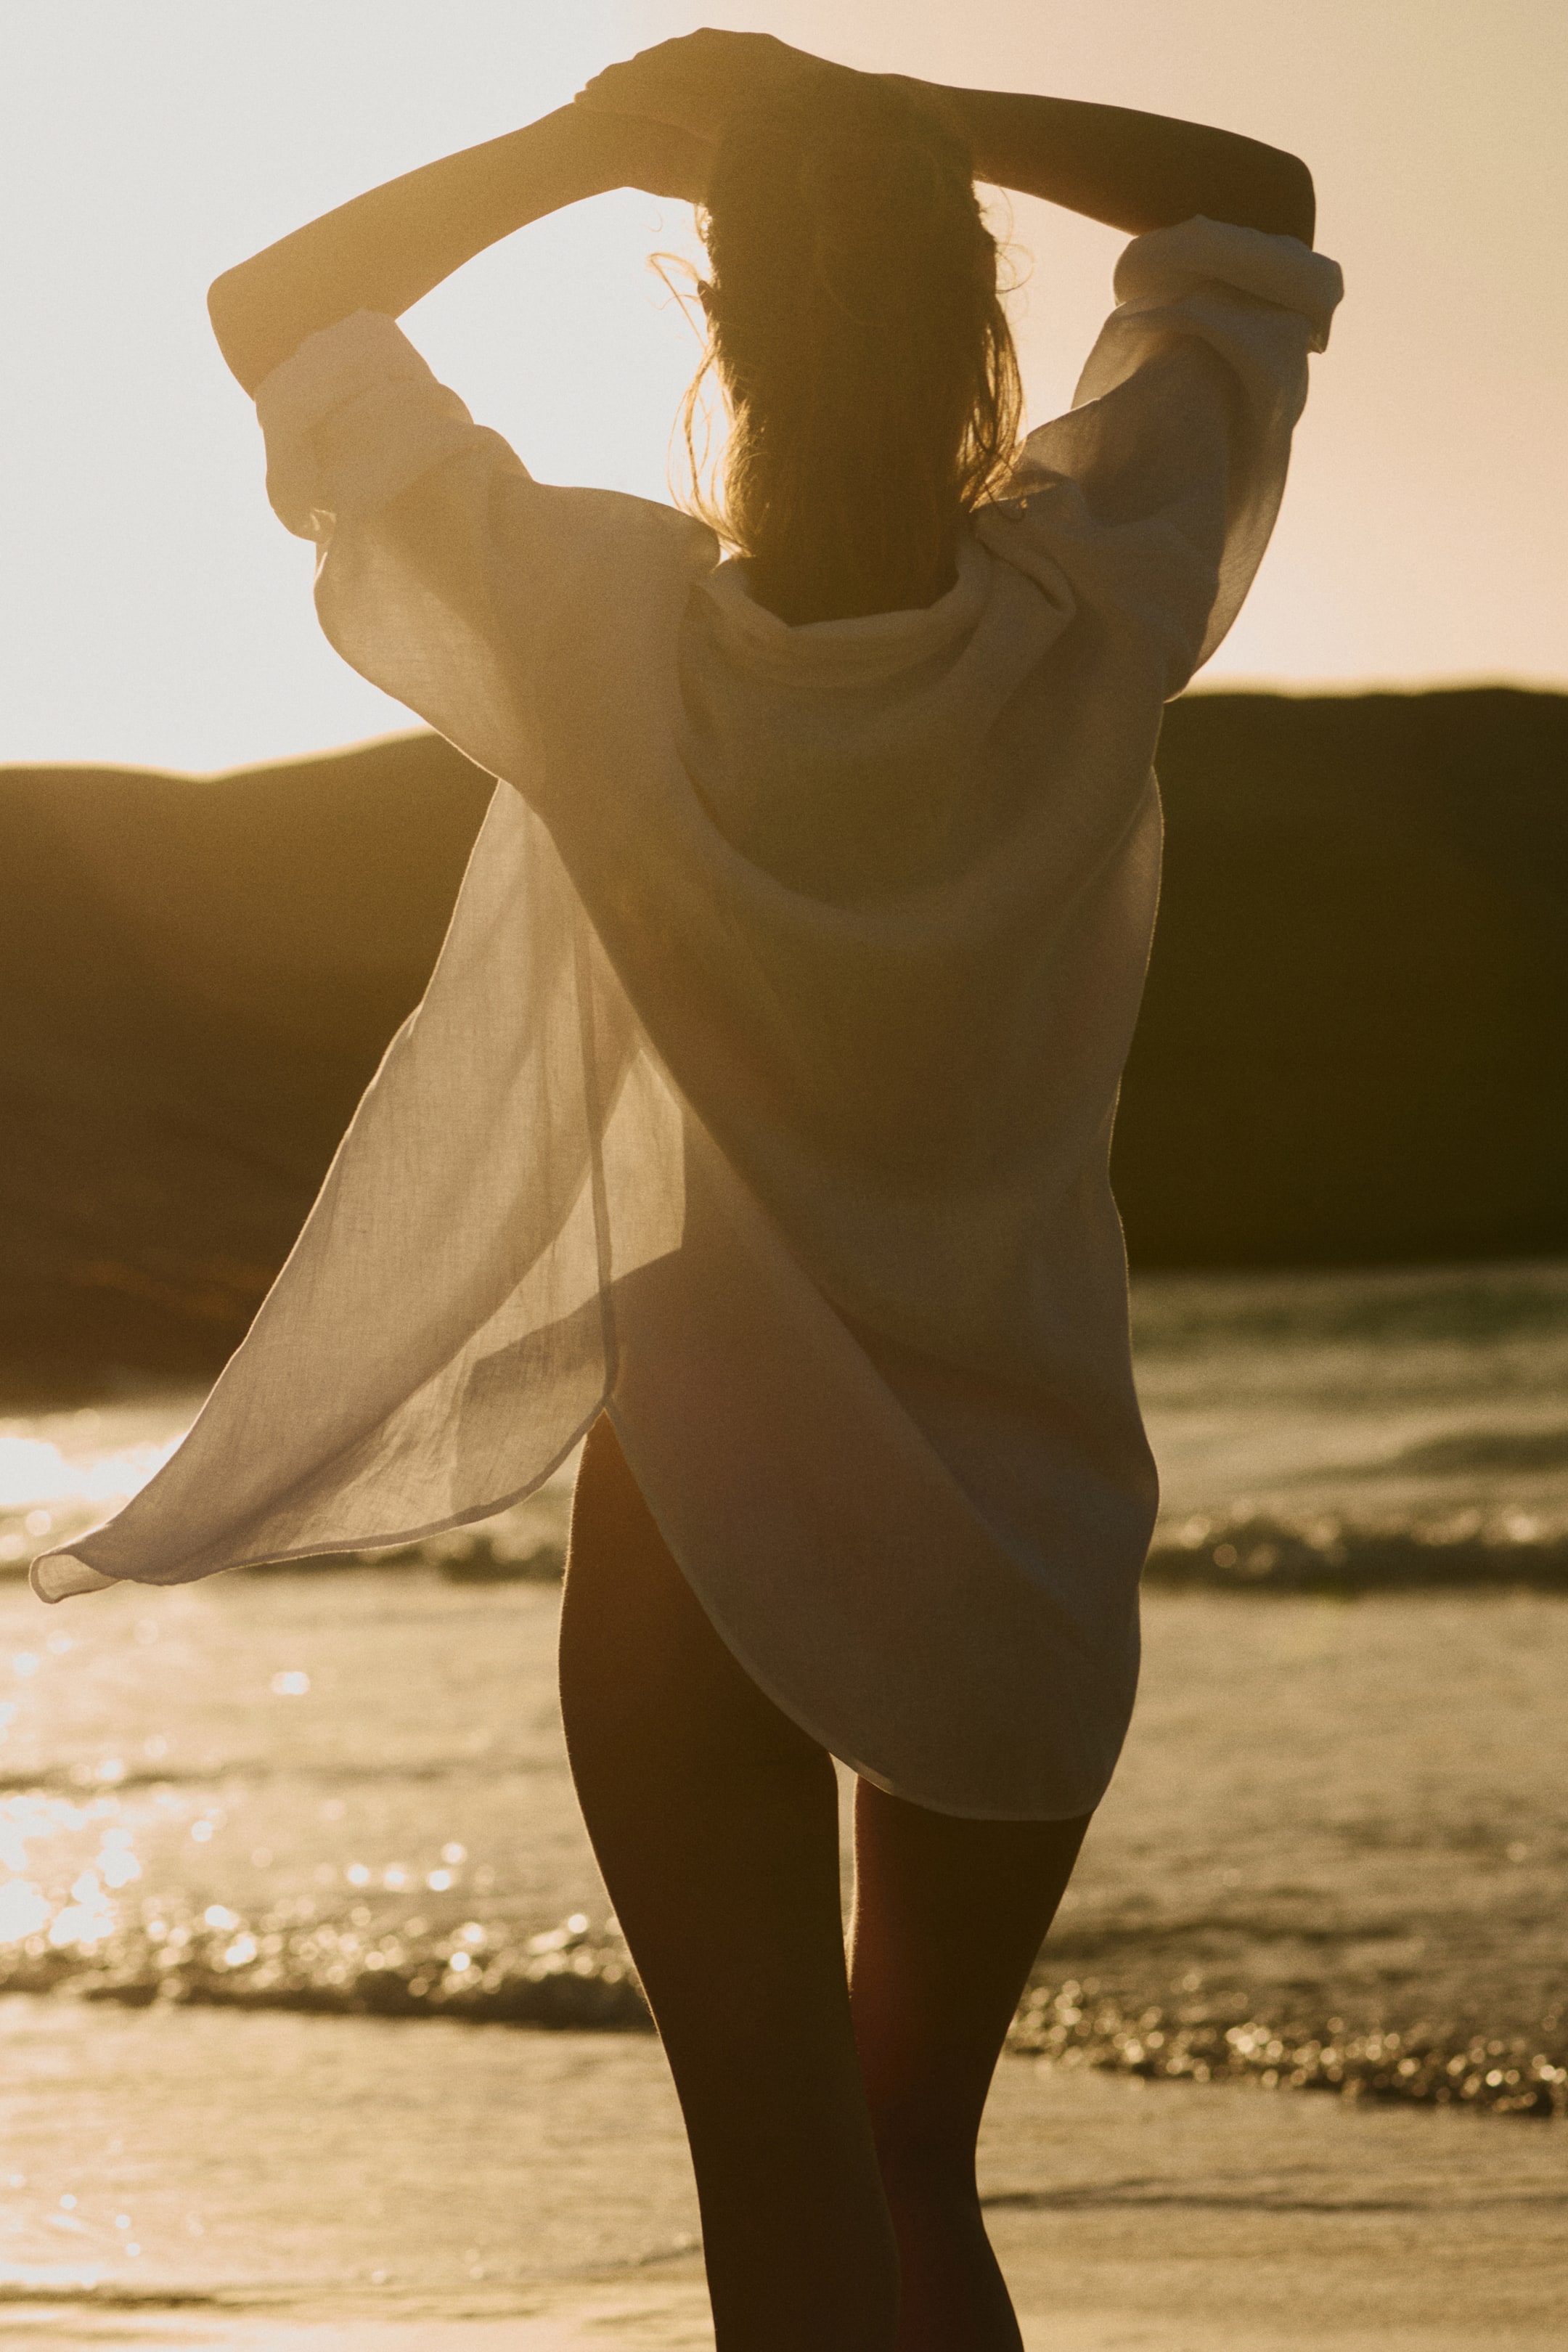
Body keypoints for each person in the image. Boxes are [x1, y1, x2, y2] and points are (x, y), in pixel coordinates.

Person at [36, 29, 1340, 2350]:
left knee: (779, 2157)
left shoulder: (600, 636)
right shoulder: (1096, 612)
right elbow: (1250, 196)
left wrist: (591, 143)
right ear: (983, 342)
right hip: (1030, 1499)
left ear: (718, 333)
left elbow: (271, 310)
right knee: (912, 2154)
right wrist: (896, 122)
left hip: (694, 1494)